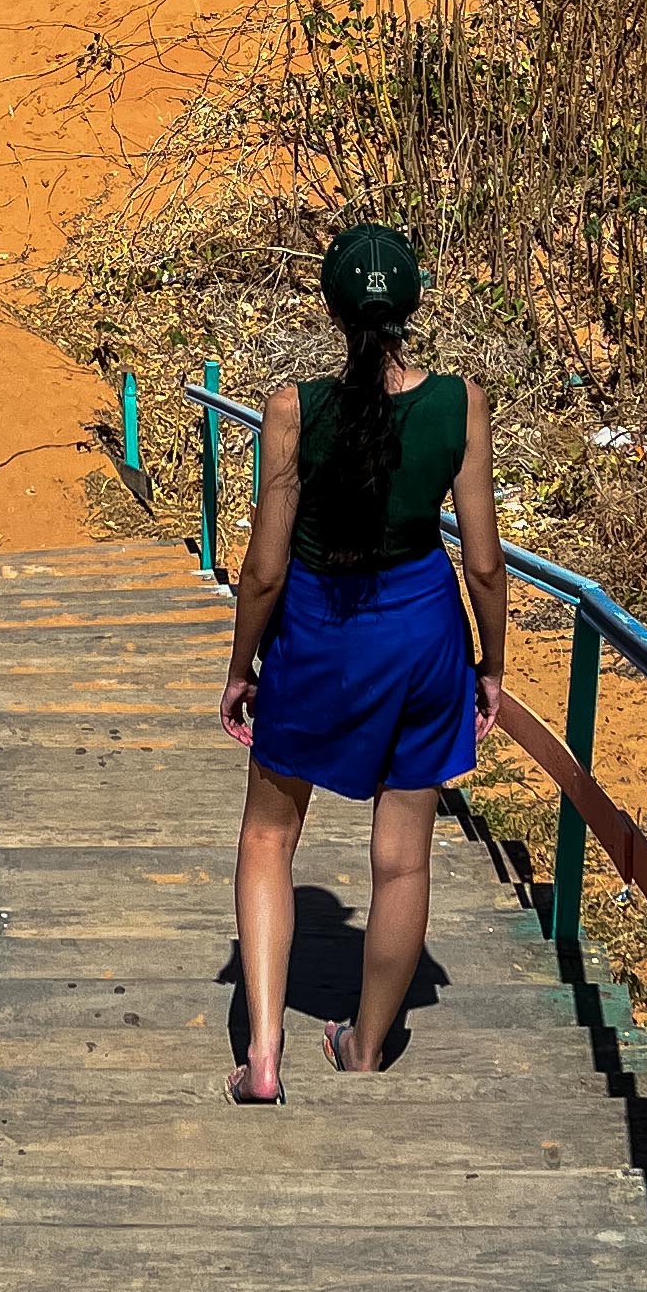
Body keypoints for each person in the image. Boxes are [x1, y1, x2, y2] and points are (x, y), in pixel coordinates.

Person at [218, 222, 506, 1104]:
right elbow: (485, 562)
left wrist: (241, 667)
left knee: (270, 834)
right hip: (422, 634)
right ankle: (366, 1047)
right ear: (412, 304)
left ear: (333, 310)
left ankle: (265, 1057)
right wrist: (492, 665)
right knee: (402, 859)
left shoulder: (294, 408)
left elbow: (265, 567)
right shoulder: (461, 403)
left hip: (318, 630)